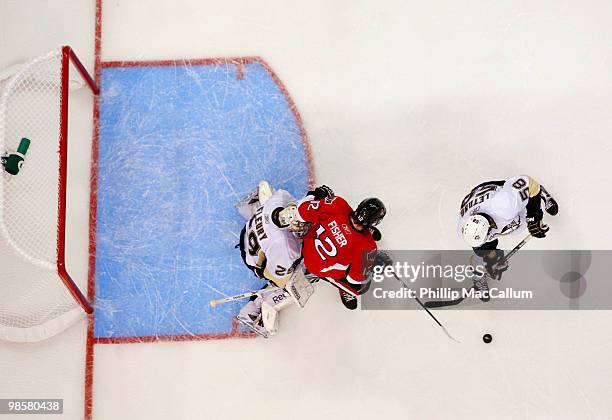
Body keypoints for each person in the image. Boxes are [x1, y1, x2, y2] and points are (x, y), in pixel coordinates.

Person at [277, 185, 386, 310]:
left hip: (307, 247)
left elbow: (301, 211)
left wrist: (316, 196)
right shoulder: (368, 247)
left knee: (319, 201)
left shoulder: (338, 203)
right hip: (317, 268)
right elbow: (354, 279)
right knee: (361, 287)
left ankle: (365, 230)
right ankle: (344, 289)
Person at [458, 175, 558, 297]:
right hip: (476, 198)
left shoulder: (504, 206)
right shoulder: (464, 230)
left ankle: (540, 194)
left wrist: (534, 217)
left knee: (523, 220)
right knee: (483, 252)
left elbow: (530, 183)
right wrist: (493, 260)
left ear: (489, 227)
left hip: (494, 191)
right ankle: (479, 277)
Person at [234, 181, 303, 337]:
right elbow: (279, 278)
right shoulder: (285, 247)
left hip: (247, 232)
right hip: (253, 259)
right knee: (295, 283)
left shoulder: (278, 200)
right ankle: (256, 308)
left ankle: (251, 208)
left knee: (266, 201)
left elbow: (292, 203)